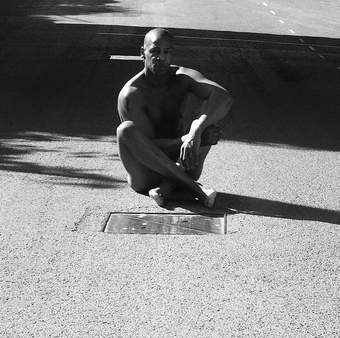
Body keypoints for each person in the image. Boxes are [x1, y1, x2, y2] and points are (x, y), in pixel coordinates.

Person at [116, 28, 233, 208]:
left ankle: (167, 187)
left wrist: (196, 131)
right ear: (142, 53)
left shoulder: (182, 77)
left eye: (167, 52)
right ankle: (195, 189)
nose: (161, 57)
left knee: (208, 123)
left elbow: (223, 98)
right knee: (125, 130)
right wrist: (186, 139)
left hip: (183, 160)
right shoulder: (132, 94)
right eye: (154, 51)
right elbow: (147, 148)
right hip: (146, 174)